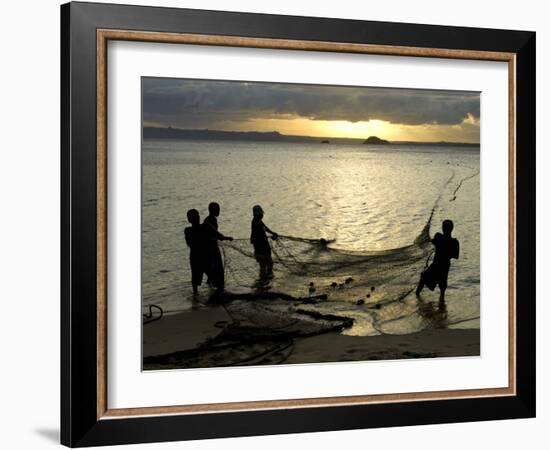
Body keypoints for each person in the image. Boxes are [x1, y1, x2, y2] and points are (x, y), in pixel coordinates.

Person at [415, 219, 459, 303]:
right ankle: (442, 306)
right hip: (445, 266)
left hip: (437, 265)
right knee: (442, 287)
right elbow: (455, 256)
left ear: (443, 228)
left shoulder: (439, 237)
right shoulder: (454, 242)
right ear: (452, 229)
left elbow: (431, 242)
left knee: (424, 277)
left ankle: (417, 298)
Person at [202, 202, 233, 291]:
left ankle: (212, 288)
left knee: (214, 268)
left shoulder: (210, 219)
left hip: (211, 247)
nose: (219, 211)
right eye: (217, 209)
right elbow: (215, 233)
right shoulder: (210, 220)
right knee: (216, 268)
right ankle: (216, 287)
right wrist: (226, 238)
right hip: (211, 248)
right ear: (212, 210)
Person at [250, 205, 278, 277]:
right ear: (258, 214)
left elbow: (265, 228)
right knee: (266, 263)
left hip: (261, 247)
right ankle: (266, 279)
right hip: (261, 247)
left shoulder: (257, 221)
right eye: (261, 214)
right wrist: (271, 236)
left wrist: (272, 233)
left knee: (266, 264)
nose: (262, 215)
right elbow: (260, 235)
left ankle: (264, 281)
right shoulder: (256, 222)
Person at [183, 209, 206, 295]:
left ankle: (196, 295)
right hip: (199, 255)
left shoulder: (188, 230)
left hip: (197, 255)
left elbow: (189, 243)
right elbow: (189, 243)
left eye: (198, 215)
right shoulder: (203, 227)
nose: (198, 217)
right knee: (196, 276)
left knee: (196, 276)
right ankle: (196, 294)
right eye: (196, 216)